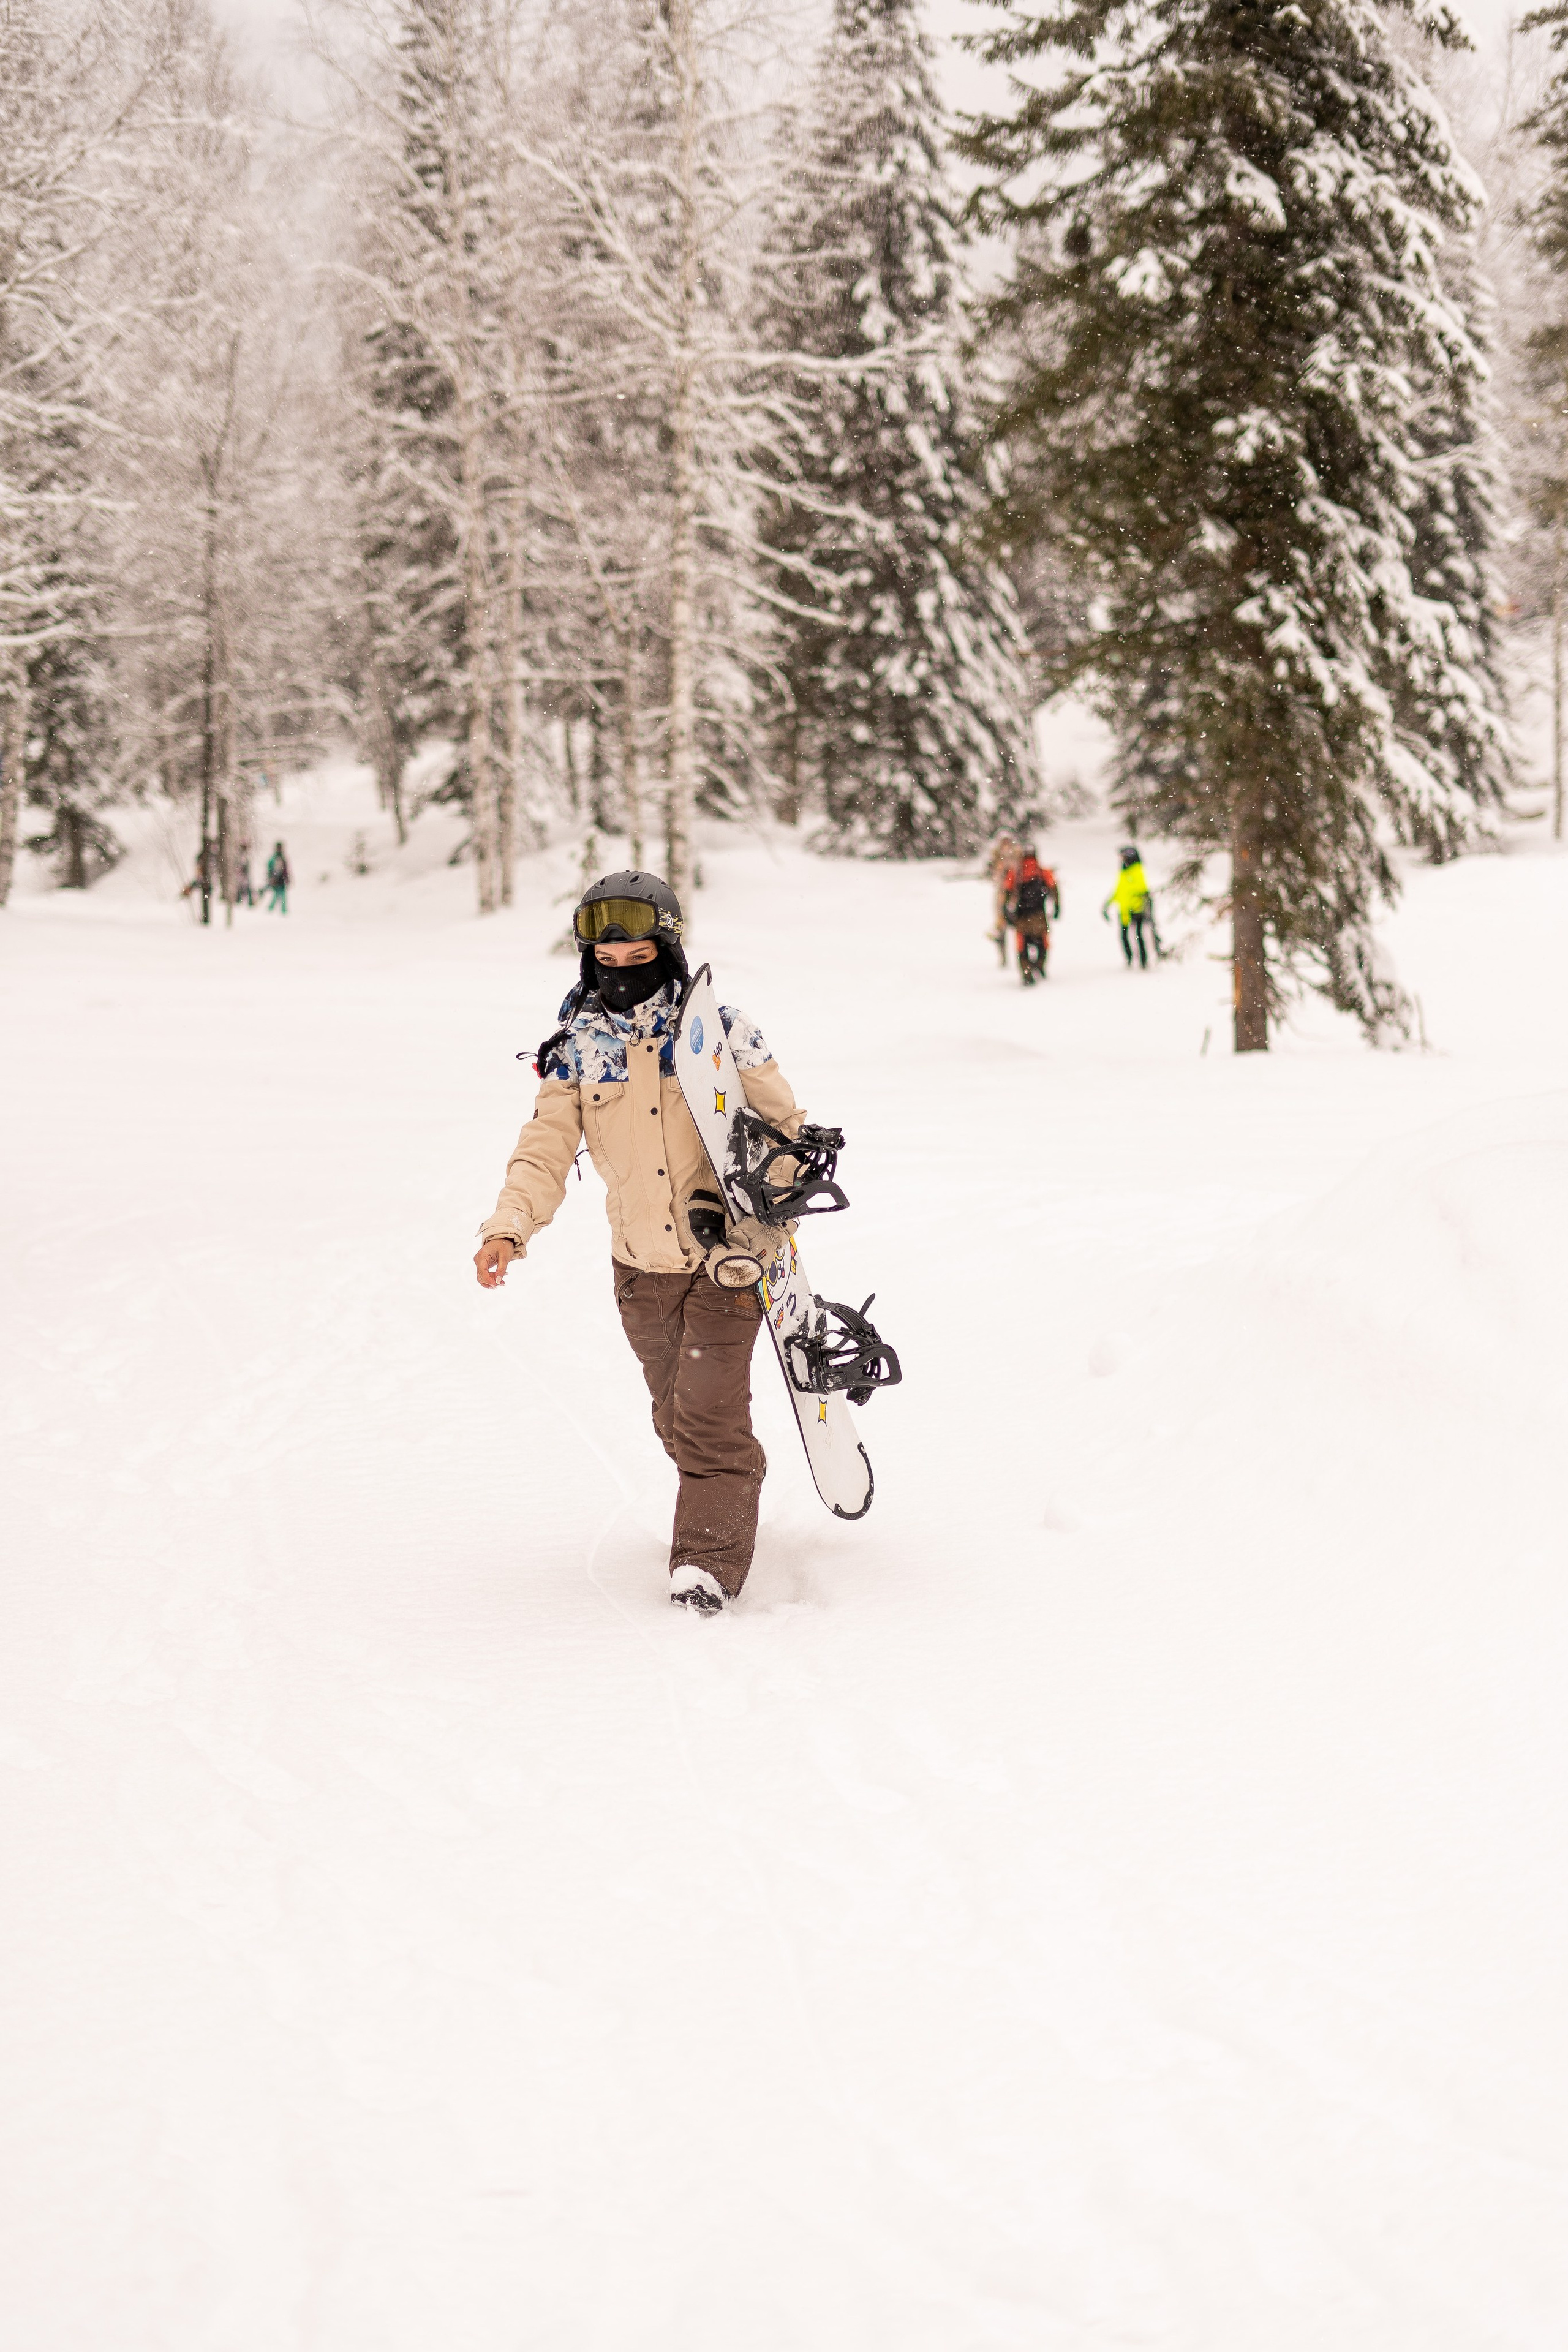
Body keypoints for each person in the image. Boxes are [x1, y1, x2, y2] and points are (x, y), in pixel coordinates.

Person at [473, 871, 809, 1615]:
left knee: (707, 1416)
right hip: (640, 1271)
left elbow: (787, 1131)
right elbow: (545, 1148)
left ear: (669, 949)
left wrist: (765, 1211)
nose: (623, 976)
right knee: (675, 1416)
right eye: (607, 964)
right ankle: (724, 1479)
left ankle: (707, 1565)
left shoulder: (723, 1033)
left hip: (727, 1262)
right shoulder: (575, 1052)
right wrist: (509, 1225)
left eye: (639, 959)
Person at [1004, 845, 1061, 986]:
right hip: (1039, 916)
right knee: (1043, 942)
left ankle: (1026, 972)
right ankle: (1040, 965)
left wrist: (1006, 912)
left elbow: (1006, 893)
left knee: (1022, 945)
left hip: (1021, 917)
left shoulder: (1016, 873)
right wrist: (1057, 907)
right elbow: (1054, 889)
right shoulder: (1043, 872)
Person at [1102, 845, 1153, 968]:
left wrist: (1137, 907)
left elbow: (1142, 891)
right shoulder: (1124, 872)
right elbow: (1119, 890)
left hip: (1136, 910)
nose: (1122, 859)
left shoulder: (1137, 871)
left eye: (1124, 856)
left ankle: (1143, 961)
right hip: (1124, 910)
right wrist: (1107, 904)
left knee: (1139, 936)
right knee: (1124, 936)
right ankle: (1129, 959)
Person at [988, 835, 1021, 968]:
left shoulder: (1018, 856)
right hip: (1003, 894)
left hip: (1015, 894)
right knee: (1001, 926)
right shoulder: (997, 857)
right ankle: (1003, 958)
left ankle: (1021, 957)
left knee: (1019, 926)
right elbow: (993, 875)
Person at [264, 842, 290, 913]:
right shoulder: (274, 859)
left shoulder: (282, 858)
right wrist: (271, 878)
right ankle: (271, 909)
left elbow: (285, 870)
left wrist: (287, 878)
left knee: (283, 896)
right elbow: (270, 869)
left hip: (281, 879)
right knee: (276, 895)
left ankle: (283, 910)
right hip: (276, 879)